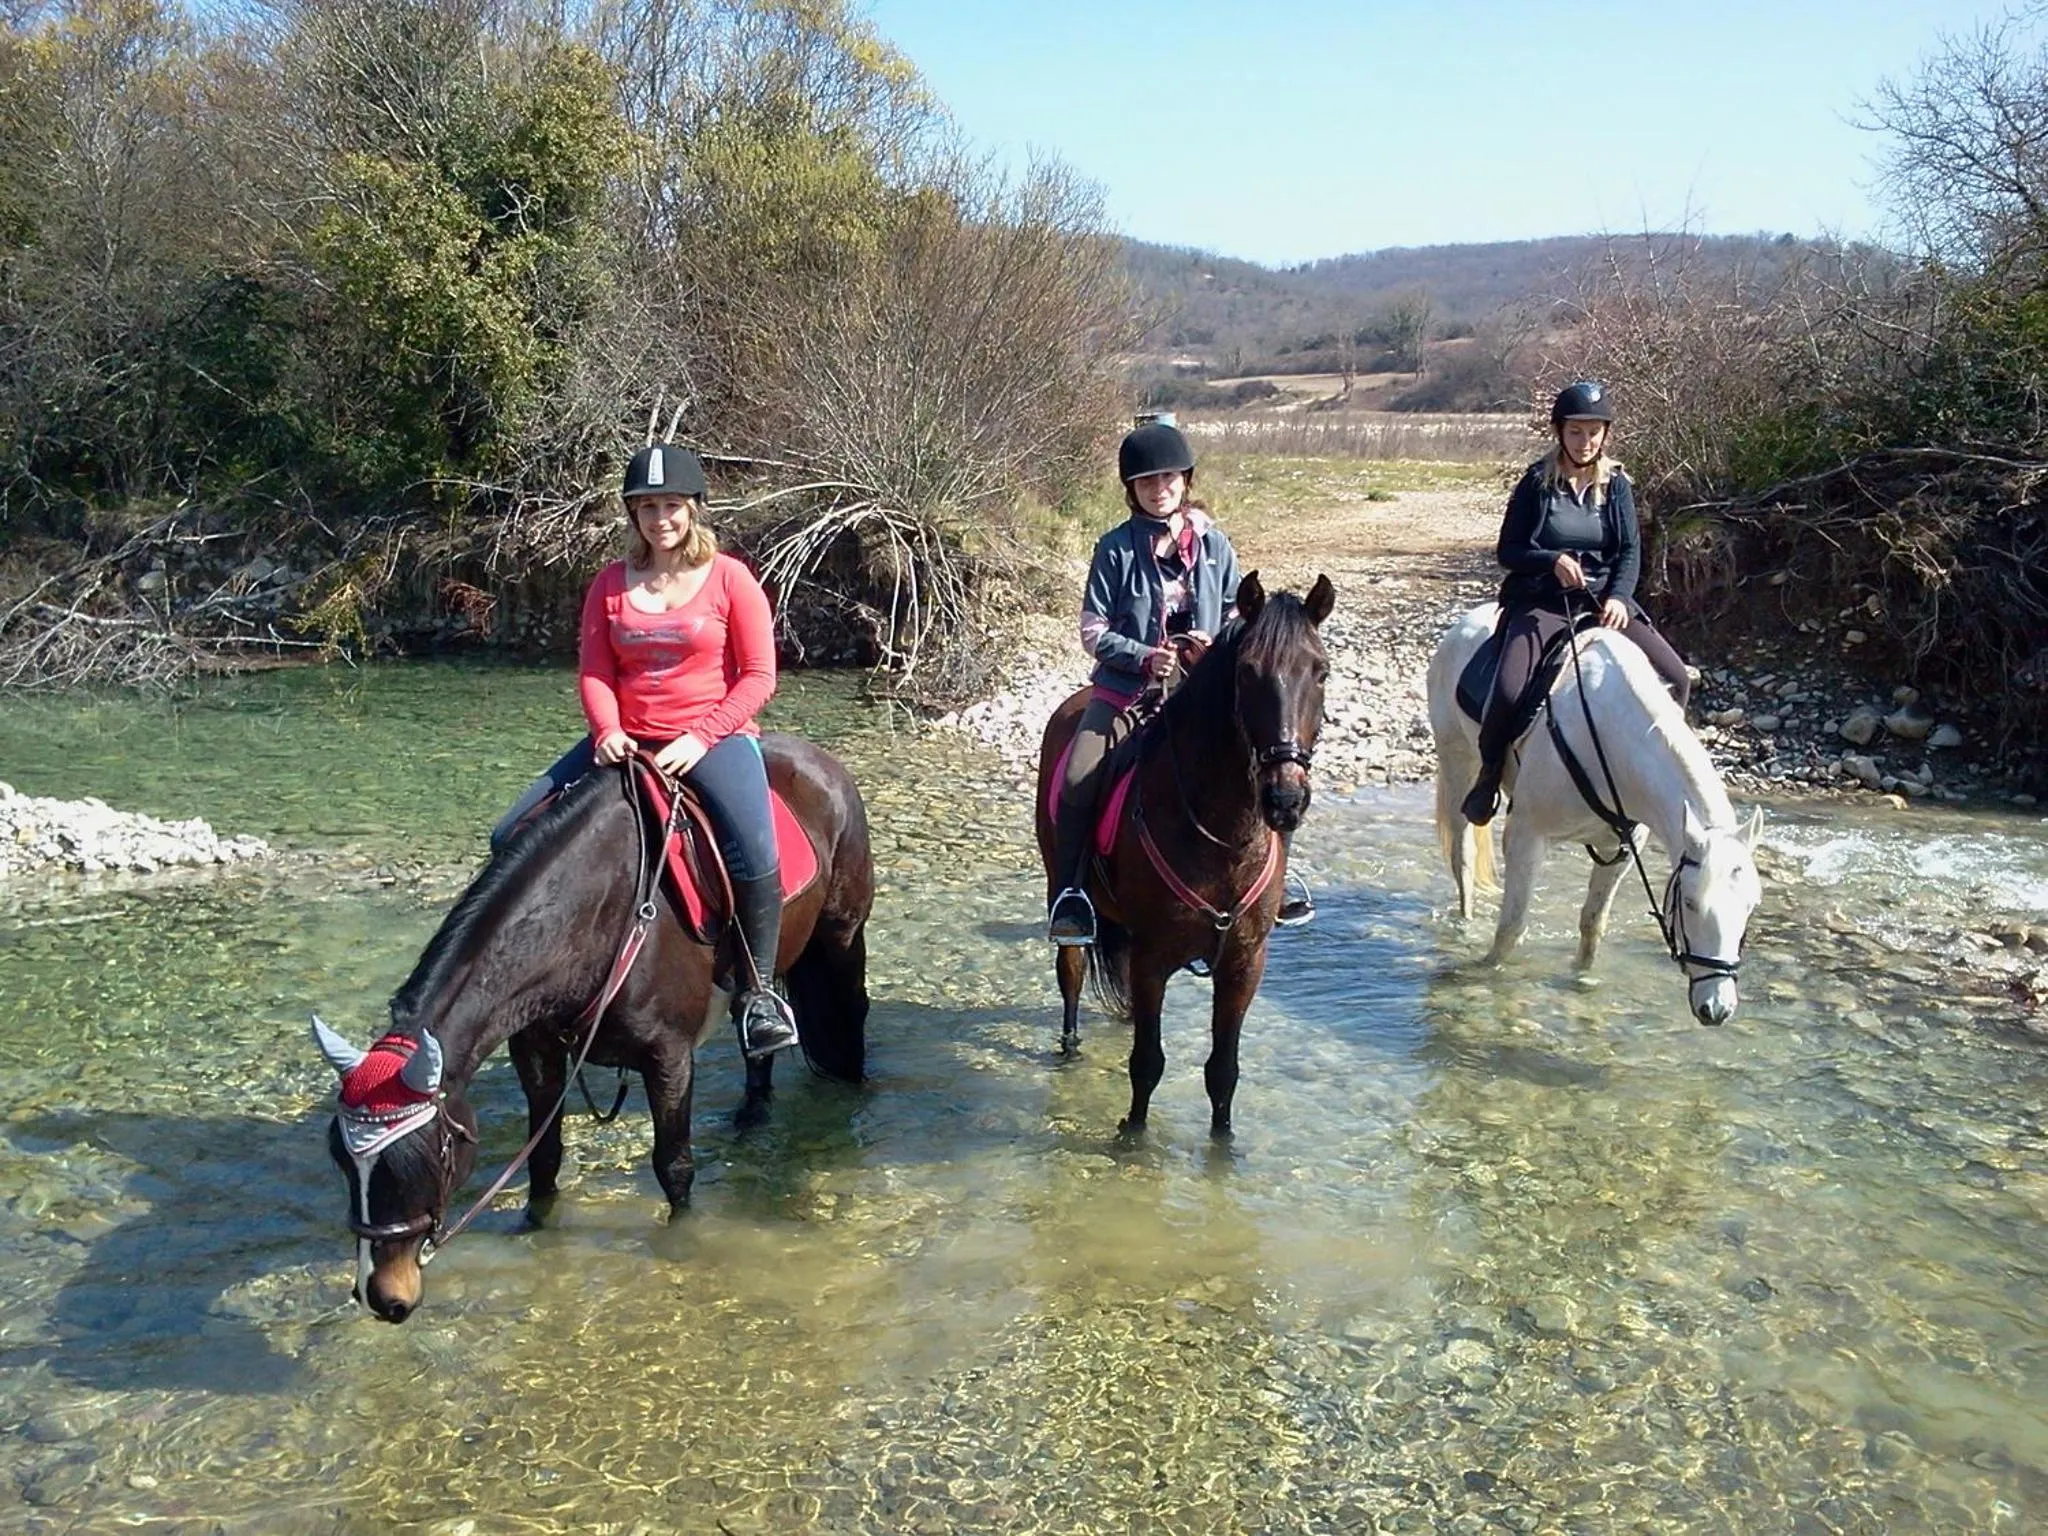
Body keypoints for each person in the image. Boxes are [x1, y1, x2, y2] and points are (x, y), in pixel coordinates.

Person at [490, 443, 799, 1059]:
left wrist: (703, 735)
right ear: (633, 514)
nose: (661, 518)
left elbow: (760, 676)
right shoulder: (610, 582)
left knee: (756, 848)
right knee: (511, 833)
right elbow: (595, 673)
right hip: (624, 739)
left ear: (694, 509)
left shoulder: (731, 579)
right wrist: (605, 731)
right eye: (647, 506)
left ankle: (759, 992)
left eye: (672, 505)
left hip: (709, 736)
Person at [1045, 421, 1314, 944]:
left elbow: (1242, 617)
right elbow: (1092, 631)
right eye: (1146, 480)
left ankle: (1277, 885)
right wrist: (1147, 657)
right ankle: (1071, 894)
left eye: (1167, 476)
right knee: (1078, 777)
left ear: (1185, 480)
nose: (1158, 487)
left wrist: (1213, 647)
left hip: (1205, 698)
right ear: (1131, 489)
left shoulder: (1215, 545)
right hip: (1126, 693)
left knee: (1276, 763)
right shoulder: (1115, 549)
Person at [1461, 380, 1693, 827]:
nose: (1585, 442)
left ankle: (1653, 774)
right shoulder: (1535, 483)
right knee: (1507, 692)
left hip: (1602, 603)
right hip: (1543, 605)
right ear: (1559, 432)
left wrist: (1620, 597)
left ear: (1605, 434)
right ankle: (1490, 774)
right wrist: (1551, 560)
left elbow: (1629, 551)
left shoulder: (1618, 485)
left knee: (1677, 678)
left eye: (1593, 432)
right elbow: (1508, 550)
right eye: (1575, 432)